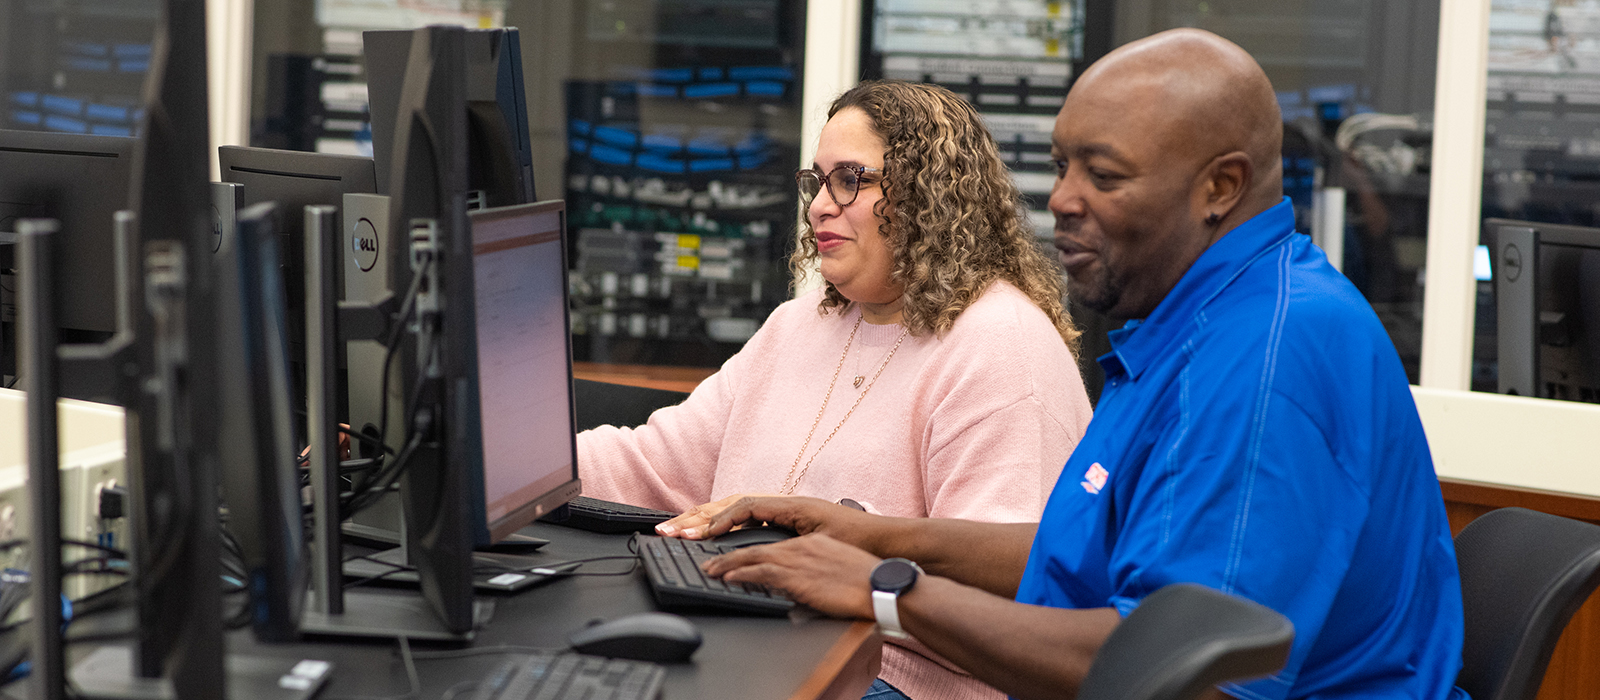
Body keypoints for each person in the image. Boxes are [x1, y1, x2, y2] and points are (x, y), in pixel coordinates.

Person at [684, 29, 1467, 700]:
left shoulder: (1269, 359)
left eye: (1104, 174)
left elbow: (1169, 671)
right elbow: (1083, 549)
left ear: (1219, 187)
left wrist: (885, 592)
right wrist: (874, 535)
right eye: (1061, 166)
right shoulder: (1187, 324)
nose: (1061, 199)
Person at [577, 80, 1094, 700]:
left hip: (898, 678)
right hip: (767, 639)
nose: (821, 205)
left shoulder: (1001, 343)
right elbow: (655, 466)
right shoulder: (801, 325)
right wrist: (501, 457)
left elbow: (1016, 574)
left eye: (850, 179)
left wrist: (859, 542)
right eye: (817, 181)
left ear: (931, 194)